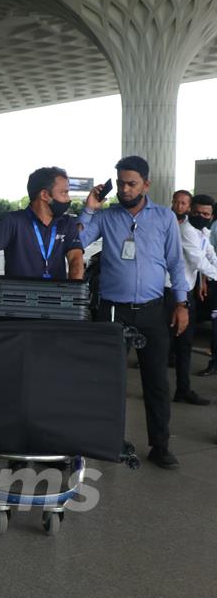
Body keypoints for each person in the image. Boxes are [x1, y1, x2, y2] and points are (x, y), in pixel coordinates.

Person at [79, 157, 189, 468]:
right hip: (113, 310)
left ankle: (160, 445)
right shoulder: (107, 217)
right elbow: (78, 240)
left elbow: (175, 264)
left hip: (154, 310)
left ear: (146, 184)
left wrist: (181, 304)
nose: (125, 189)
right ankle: (108, 440)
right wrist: (90, 208)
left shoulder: (165, 218)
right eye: (121, 183)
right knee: (108, 380)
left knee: (156, 381)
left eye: (132, 184)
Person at [0, 167, 84, 280]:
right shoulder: (13, 221)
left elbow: (76, 258)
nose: (68, 198)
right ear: (44, 195)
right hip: (17, 295)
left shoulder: (67, 223)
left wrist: (73, 293)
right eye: (64, 193)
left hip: (56, 295)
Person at [168, 191, 217, 404]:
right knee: (167, 345)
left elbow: (210, 256)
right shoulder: (186, 231)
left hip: (187, 291)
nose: (201, 216)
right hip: (171, 293)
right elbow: (199, 262)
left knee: (184, 345)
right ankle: (161, 391)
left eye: (206, 214)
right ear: (190, 211)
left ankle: (182, 390)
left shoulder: (203, 232)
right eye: (196, 212)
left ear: (212, 216)